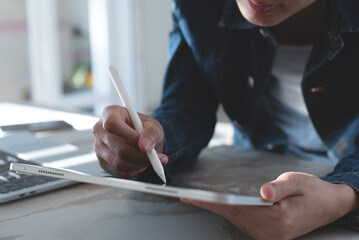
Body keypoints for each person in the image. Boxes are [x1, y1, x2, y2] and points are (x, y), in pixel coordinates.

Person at [92, 0, 359, 239]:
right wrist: (155, 139)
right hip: (252, 183)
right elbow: (188, 105)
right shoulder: (197, 6)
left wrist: (343, 197)